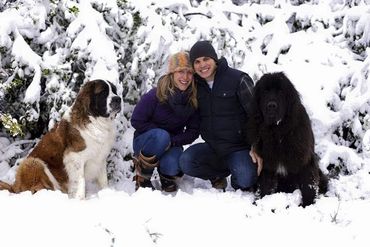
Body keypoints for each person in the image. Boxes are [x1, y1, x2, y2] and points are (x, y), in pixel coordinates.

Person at [179, 40, 262, 191]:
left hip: (239, 147)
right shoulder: (196, 86)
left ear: (214, 59)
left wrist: (258, 146)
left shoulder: (238, 79)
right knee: (186, 161)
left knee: (245, 179)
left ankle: (239, 176)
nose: (202, 65)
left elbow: (257, 115)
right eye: (197, 62)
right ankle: (217, 175)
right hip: (214, 148)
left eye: (206, 59)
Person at [131, 51, 200, 192]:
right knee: (161, 136)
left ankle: (166, 177)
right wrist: (161, 136)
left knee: (174, 163)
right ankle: (143, 176)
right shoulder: (155, 95)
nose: (185, 77)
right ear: (172, 74)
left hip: (172, 144)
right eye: (180, 71)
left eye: (189, 72)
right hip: (146, 142)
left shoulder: (192, 100)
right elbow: (136, 120)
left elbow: (193, 132)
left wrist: (171, 142)